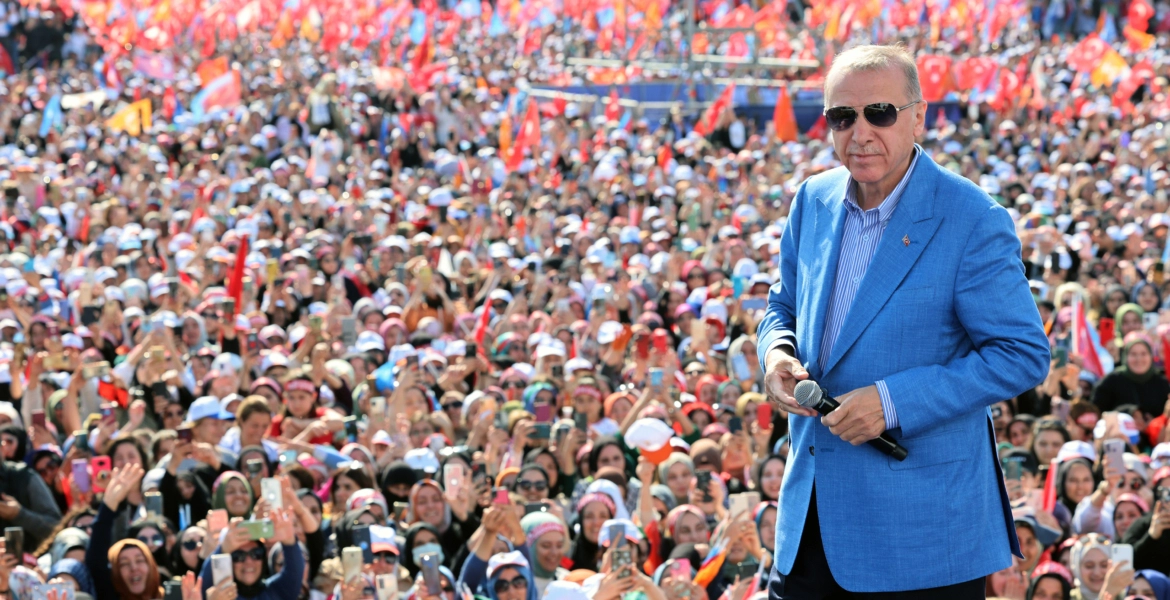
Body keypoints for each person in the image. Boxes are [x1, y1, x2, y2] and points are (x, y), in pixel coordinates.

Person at [757, 43, 1049, 597]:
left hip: (923, 540)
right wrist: (775, 355)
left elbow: (1022, 355)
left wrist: (891, 403)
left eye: (880, 113)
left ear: (918, 117)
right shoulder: (813, 199)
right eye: (842, 117)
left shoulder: (972, 218)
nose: (860, 132)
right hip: (809, 525)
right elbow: (782, 306)